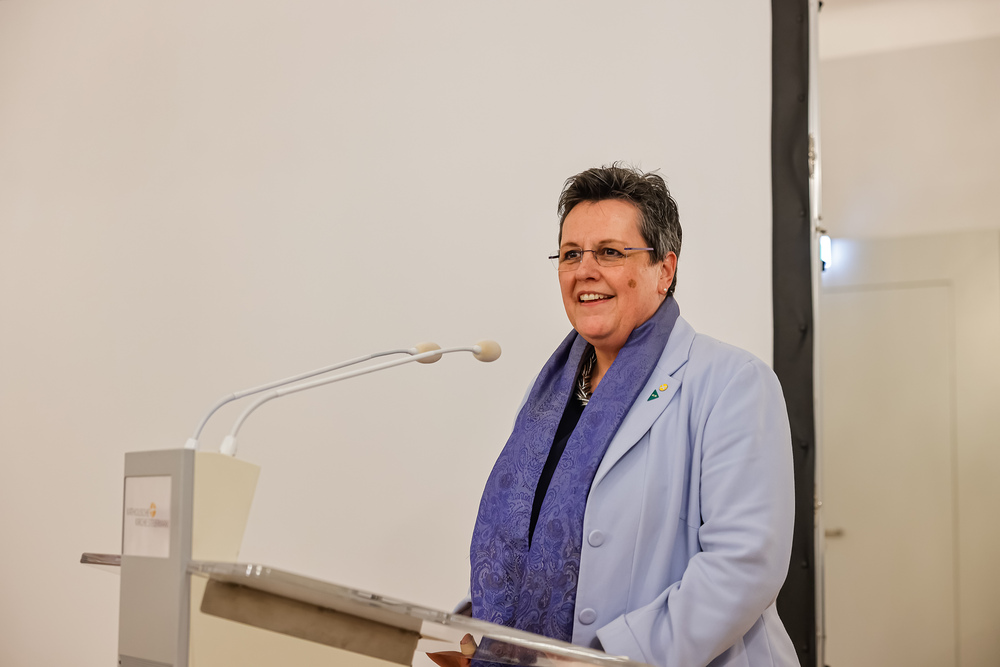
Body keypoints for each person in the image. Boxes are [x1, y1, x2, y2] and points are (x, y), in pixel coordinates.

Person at [461, 164, 799, 667]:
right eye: (571, 254)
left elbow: (744, 566)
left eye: (610, 253)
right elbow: (520, 545)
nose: (585, 270)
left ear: (665, 270)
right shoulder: (547, 400)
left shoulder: (733, 383)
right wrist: (479, 631)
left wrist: (611, 659)